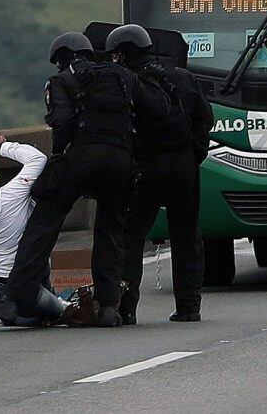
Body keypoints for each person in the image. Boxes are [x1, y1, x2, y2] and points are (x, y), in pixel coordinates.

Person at [0, 31, 167, 328]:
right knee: (110, 231)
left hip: (81, 158)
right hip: (121, 159)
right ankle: (108, 305)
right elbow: (157, 110)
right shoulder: (124, 76)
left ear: (63, 57)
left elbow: (63, 123)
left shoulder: (61, 81)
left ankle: (15, 298)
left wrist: (57, 160)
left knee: (44, 223)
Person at [107, 24, 213, 325]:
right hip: (183, 165)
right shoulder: (181, 76)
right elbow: (206, 117)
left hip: (146, 166)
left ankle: (126, 308)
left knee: (131, 236)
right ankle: (189, 307)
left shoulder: (125, 82)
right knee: (187, 236)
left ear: (121, 54)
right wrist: (194, 154)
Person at [0, 136, 68, 327]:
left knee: (38, 309)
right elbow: (37, 159)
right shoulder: (13, 194)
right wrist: (3, 147)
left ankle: (7, 307)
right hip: (24, 274)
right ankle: (18, 313)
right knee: (56, 314)